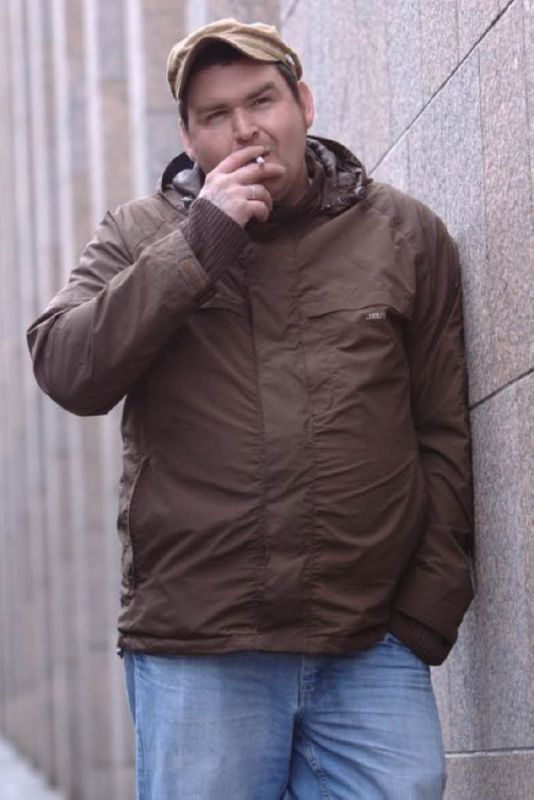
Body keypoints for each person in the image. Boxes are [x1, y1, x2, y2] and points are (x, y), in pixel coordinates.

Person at [27, 18, 474, 800]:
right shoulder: (140, 234)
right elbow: (67, 367)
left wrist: (423, 616)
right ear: (189, 137)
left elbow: (442, 432)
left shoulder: (405, 235)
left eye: (262, 100)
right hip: (201, 649)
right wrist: (199, 243)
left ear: (304, 103)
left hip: (369, 645)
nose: (244, 129)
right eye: (215, 115)